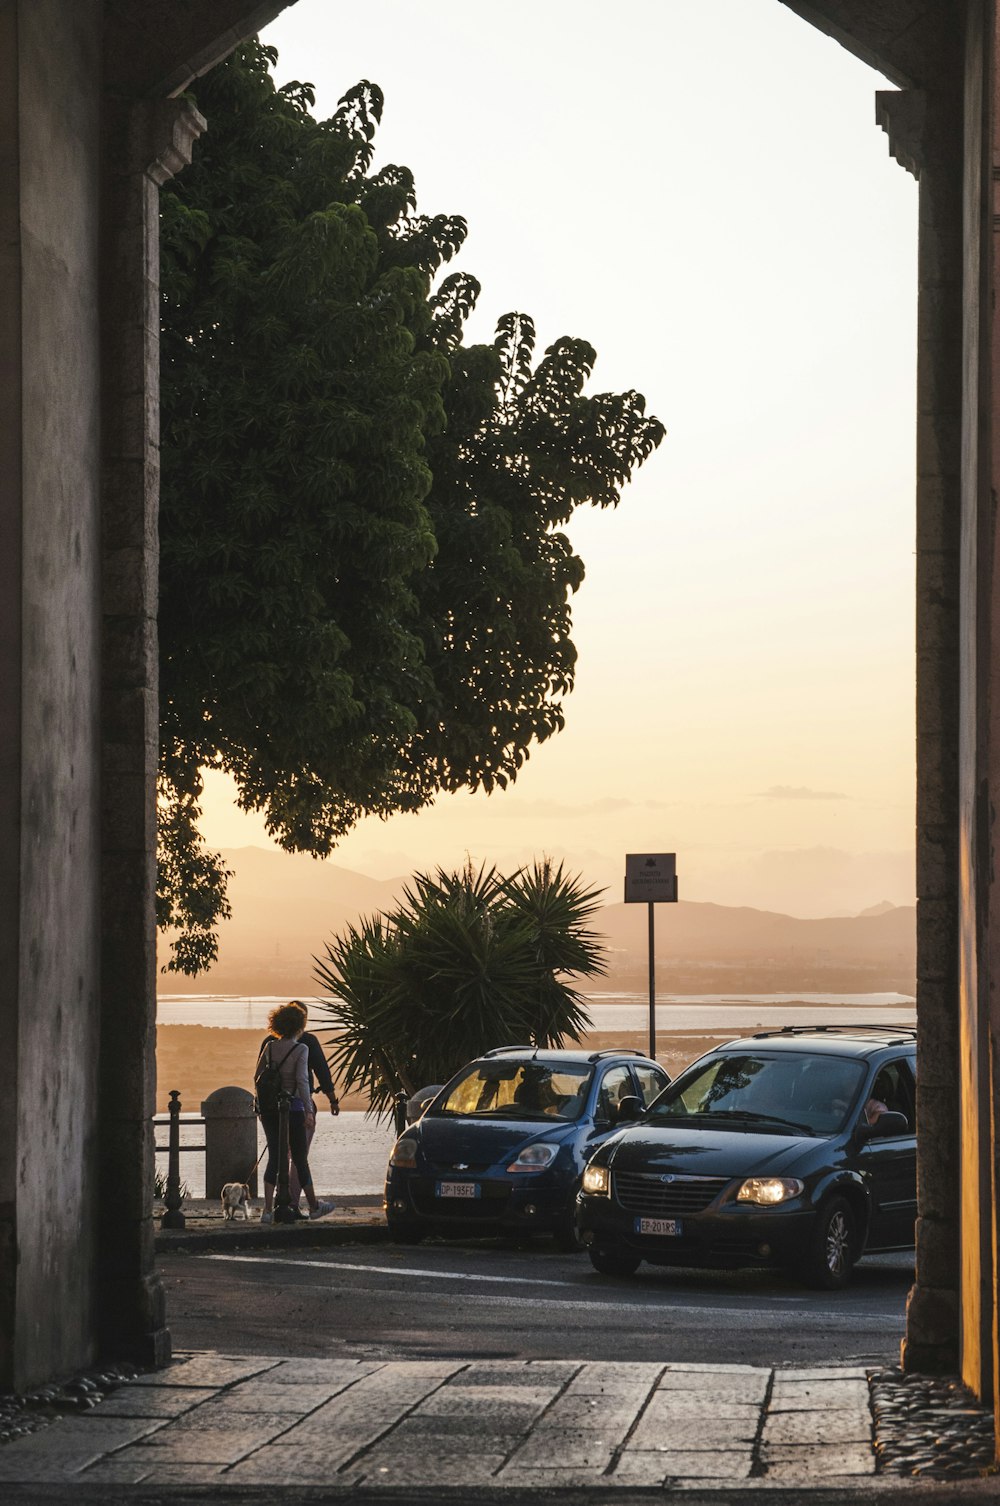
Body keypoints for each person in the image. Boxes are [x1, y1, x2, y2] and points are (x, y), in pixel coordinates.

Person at [256, 1001, 335, 1224]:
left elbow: (258, 1077)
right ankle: (313, 1206)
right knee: (300, 1159)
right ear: (301, 1024)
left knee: (275, 1157)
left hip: (271, 1110)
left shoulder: (269, 1046)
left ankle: (268, 1210)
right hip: (295, 1108)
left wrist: (263, 1104)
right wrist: (309, 1111)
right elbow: (302, 1080)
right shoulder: (303, 1048)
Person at [288, 1007, 340, 1214]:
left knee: (281, 1155)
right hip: (301, 1106)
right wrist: (333, 1100)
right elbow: (322, 1072)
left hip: (275, 1108)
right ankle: (294, 1203)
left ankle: (277, 1203)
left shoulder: (269, 1043)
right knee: (300, 1156)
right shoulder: (307, 1042)